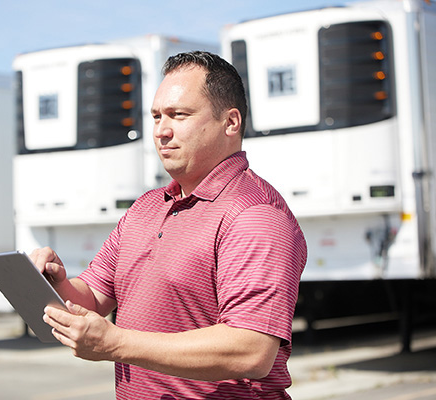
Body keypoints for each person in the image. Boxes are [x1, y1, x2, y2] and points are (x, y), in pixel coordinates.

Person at [31, 51, 307, 399]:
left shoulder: (255, 213)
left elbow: (251, 349)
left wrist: (115, 343)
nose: (162, 130)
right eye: (157, 116)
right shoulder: (145, 208)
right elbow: (93, 298)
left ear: (231, 122)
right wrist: (54, 284)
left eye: (179, 115)